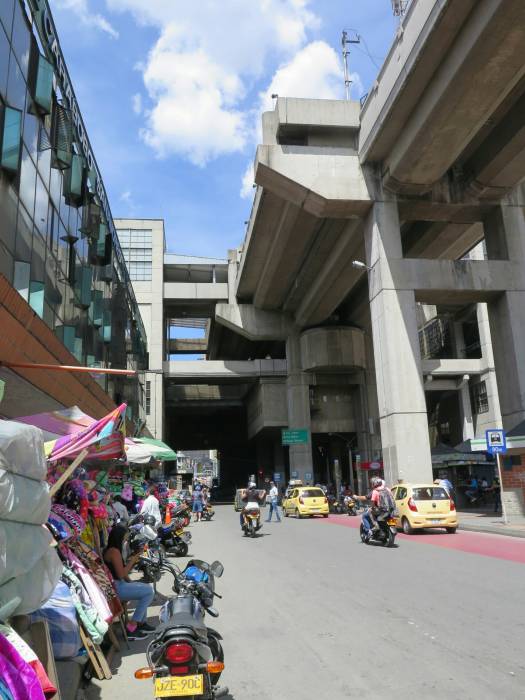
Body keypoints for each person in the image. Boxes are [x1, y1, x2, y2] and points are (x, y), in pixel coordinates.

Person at [103, 525, 155, 640]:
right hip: (116, 588)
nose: (126, 541)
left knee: (145, 588)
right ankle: (132, 627)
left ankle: (141, 622)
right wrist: (133, 559)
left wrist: (131, 582)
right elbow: (121, 574)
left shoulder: (113, 550)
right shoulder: (114, 552)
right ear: (119, 538)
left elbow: (121, 573)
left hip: (118, 584)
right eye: (124, 538)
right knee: (148, 592)